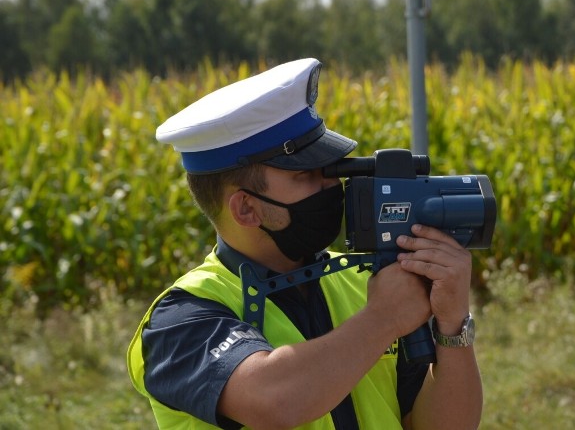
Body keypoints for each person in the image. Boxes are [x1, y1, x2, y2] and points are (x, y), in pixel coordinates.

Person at [127, 58, 483, 430]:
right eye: (307, 176)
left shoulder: (363, 284)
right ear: (247, 208)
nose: (332, 186)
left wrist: (453, 325)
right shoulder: (180, 319)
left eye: (330, 170)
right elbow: (273, 401)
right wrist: (383, 319)